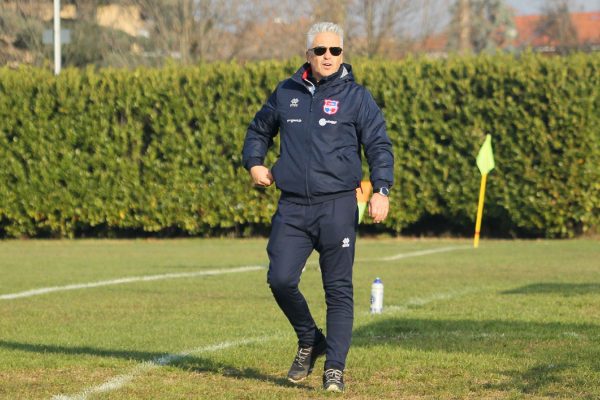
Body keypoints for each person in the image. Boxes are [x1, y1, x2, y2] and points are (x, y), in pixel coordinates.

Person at [242, 22, 394, 392]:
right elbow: (258, 131)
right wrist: (254, 163)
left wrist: (382, 190)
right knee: (279, 279)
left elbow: (379, 145)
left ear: (343, 54)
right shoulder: (286, 91)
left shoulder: (357, 97)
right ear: (308, 54)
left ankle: (335, 369)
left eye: (335, 51)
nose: (328, 57)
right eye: (321, 50)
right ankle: (311, 339)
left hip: (338, 206)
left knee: (338, 289)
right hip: (292, 207)